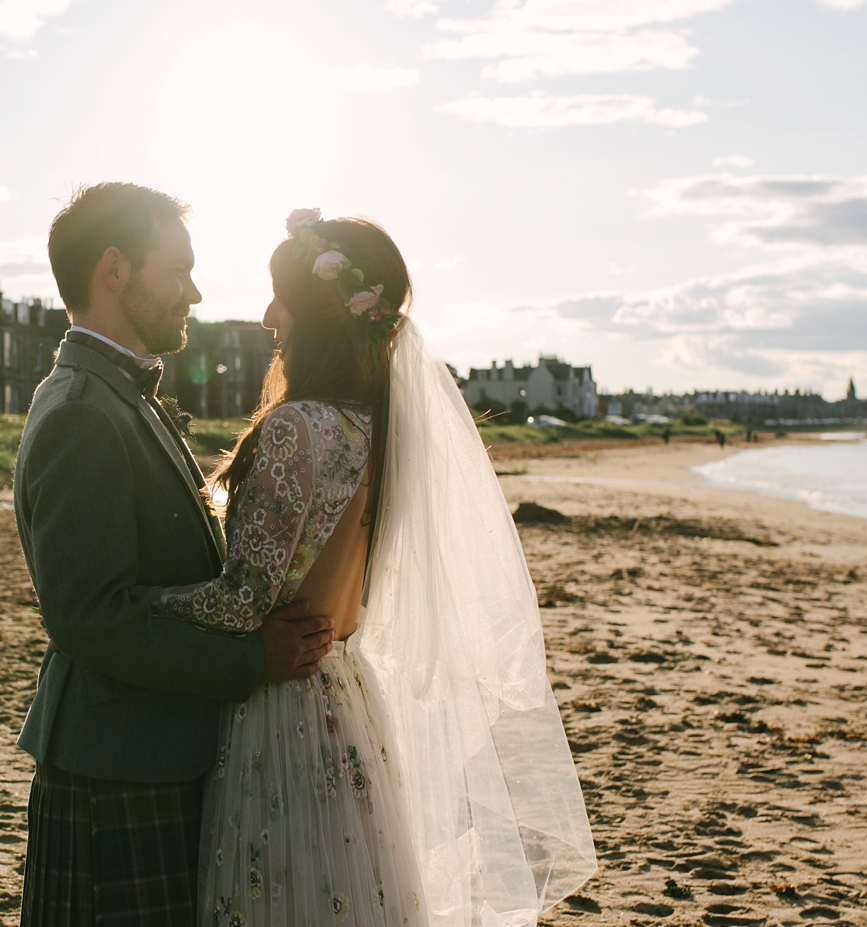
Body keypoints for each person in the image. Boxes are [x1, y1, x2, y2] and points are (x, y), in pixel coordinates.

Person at [136, 210, 596, 927]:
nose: (266, 317)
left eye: (280, 298)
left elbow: (241, 602)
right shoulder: (377, 427)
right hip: (345, 697)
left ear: (317, 314)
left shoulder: (297, 428)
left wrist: (143, 600)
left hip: (281, 708)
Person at [16, 183, 334, 927]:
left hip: (151, 751)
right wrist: (251, 660)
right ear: (116, 270)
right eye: (179, 268)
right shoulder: (80, 414)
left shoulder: (122, 397)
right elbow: (90, 617)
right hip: (115, 770)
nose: (194, 290)